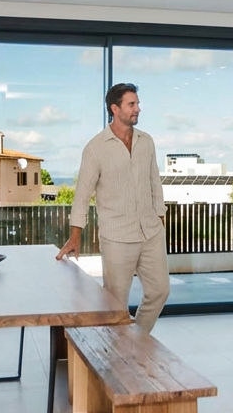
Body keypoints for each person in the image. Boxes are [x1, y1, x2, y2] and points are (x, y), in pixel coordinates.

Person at [57, 83, 170, 333]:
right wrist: (76, 234)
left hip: (150, 232)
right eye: (132, 104)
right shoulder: (96, 148)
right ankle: (119, 354)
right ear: (115, 108)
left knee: (160, 291)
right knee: (115, 303)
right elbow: (82, 194)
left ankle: (137, 338)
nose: (138, 109)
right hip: (117, 236)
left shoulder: (147, 141)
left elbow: (155, 181)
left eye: (137, 103)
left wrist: (160, 217)